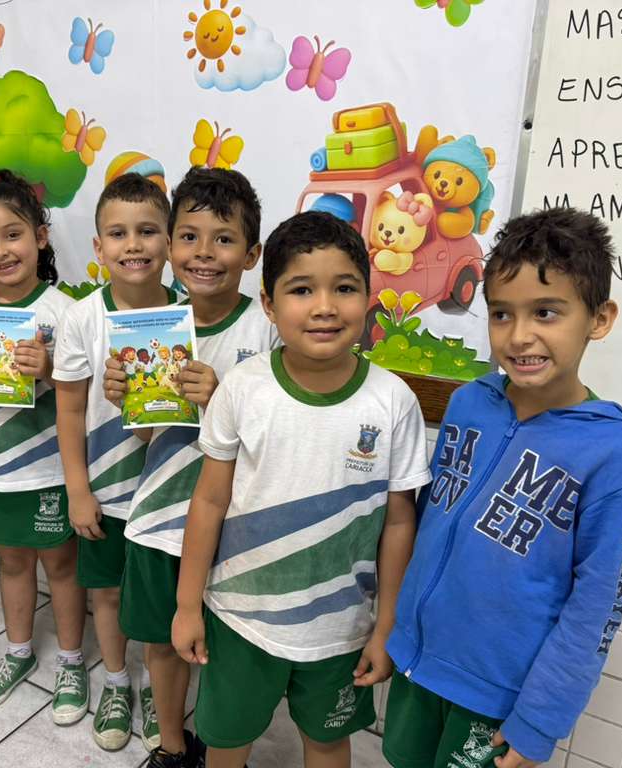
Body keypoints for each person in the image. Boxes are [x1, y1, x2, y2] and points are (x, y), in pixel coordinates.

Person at [382, 207, 622, 768]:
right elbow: (435, 521)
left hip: (497, 697)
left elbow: (597, 606)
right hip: (419, 661)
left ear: (599, 319)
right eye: (501, 314)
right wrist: (397, 631)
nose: (519, 335)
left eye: (547, 312)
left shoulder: (615, 456)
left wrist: (538, 722)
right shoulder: (468, 402)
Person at [172, 211, 431, 768]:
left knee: (328, 741)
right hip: (240, 617)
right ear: (268, 304)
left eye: (344, 288)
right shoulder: (243, 389)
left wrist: (386, 625)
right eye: (300, 289)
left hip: (340, 629)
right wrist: (187, 604)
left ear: (368, 297)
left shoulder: (393, 401)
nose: (323, 307)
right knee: (227, 740)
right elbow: (210, 500)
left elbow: (400, 522)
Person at [104, 167, 278, 766]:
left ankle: (223, 745)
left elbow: (282, 432)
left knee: (224, 647)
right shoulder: (155, 322)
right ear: (171, 246)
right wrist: (125, 393)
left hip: (235, 529)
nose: (204, 253)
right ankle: (173, 747)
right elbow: (148, 426)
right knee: (161, 639)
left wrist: (224, 393)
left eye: (224, 239)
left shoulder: (269, 330)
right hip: (158, 515)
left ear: (252, 253)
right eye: (189, 237)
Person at [0, 170, 89, 724]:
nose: (0, 251)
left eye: (12, 234)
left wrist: (50, 368)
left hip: (51, 468)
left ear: (41, 237)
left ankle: (72, 661)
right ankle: (19, 652)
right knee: (11, 563)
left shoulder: (65, 310)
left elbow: (86, 394)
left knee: (62, 566)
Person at [53, 173, 177, 751]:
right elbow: (70, 411)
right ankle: (116, 682)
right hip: (103, 490)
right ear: (98, 248)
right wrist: (78, 488)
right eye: (118, 233)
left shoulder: (187, 317)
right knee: (104, 592)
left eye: (148, 231)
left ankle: (156, 686)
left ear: (170, 242)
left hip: (167, 496)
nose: (134, 244)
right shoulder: (82, 318)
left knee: (156, 600)